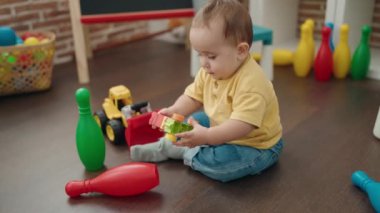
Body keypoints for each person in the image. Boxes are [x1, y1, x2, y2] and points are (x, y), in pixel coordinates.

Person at [131, 0, 283, 182]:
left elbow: (241, 126)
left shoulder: (252, 84)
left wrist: (207, 136)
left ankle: (185, 151)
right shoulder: (209, 71)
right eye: (199, 54)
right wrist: (176, 110)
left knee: (223, 164)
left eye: (211, 56)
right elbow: (193, 96)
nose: (203, 62)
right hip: (219, 124)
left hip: (254, 145)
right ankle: (166, 145)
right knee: (193, 121)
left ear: (241, 51)